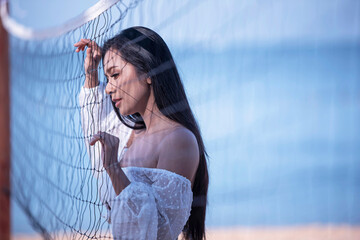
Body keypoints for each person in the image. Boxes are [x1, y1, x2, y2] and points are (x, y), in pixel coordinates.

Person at [75, 26, 209, 240]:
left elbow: (158, 231)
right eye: (108, 78)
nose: (109, 88)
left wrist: (114, 170)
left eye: (115, 75)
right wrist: (92, 75)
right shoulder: (131, 133)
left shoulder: (177, 140)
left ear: (148, 71)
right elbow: (95, 128)